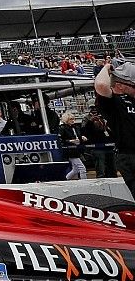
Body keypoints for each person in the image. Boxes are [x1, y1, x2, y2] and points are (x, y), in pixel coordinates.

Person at [94, 57, 135, 197]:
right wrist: (106, 67)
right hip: (129, 154)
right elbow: (101, 84)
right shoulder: (114, 102)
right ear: (121, 86)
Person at [82, 107, 117, 178]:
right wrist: (91, 121)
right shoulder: (87, 119)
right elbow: (85, 131)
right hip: (98, 147)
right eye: (93, 111)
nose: (96, 114)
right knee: (101, 169)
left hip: (109, 147)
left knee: (112, 168)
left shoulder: (104, 119)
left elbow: (111, 132)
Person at [58, 111, 87, 180]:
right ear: (66, 120)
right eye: (71, 119)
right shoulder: (62, 128)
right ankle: (85, 182)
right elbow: (60, 140)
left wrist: (82, 137)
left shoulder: (76, 127)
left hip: (77, 149)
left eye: (73, 119)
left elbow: (78, 136)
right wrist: (70, 141)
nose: (73, 120)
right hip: (70, 150)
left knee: (75, 169)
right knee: (82, 168)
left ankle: (65, 179)